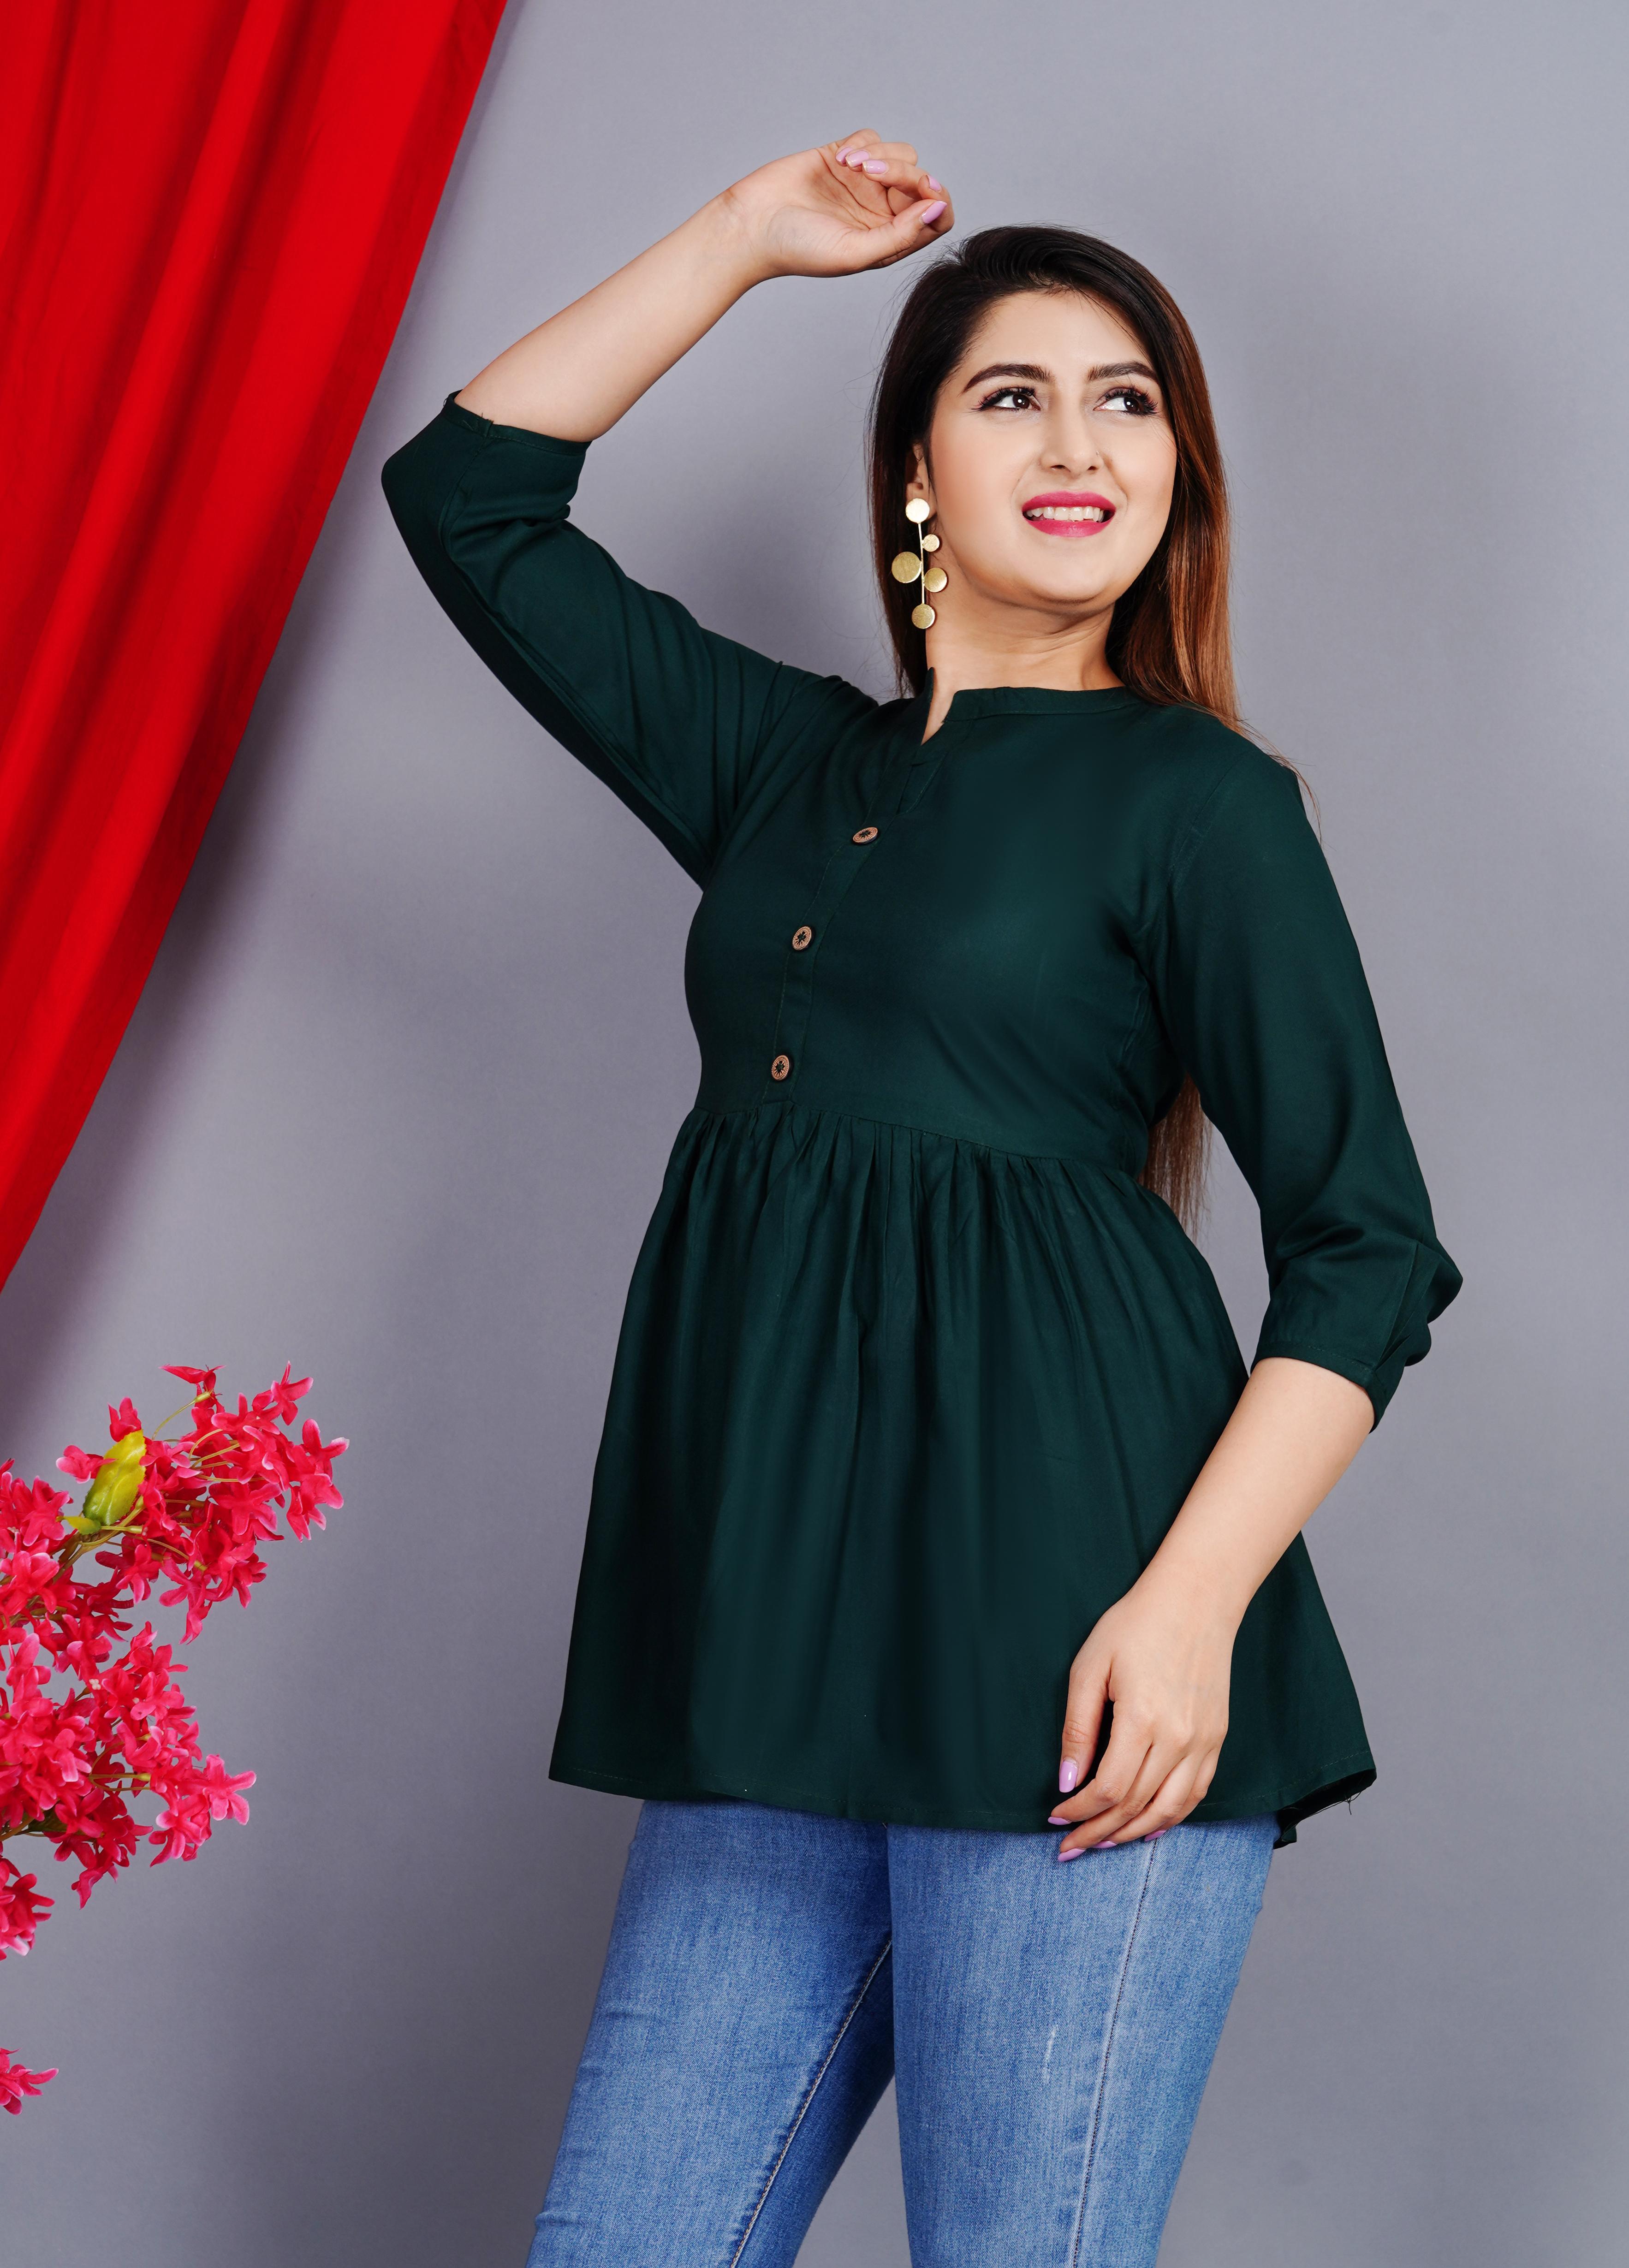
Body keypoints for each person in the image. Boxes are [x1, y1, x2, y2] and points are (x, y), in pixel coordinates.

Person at [382, 129, 1460, 2268]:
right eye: (1013, 395)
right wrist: (741, 239)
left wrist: (1186, 1614)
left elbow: (1367, 1246)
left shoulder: (1198, 805)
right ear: (912, 475)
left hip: (1074, 1652)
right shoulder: (783, 772)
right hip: (773, 1661)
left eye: (1128, 402)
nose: (1081, 446)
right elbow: (467, 498)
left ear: (1175, 474)